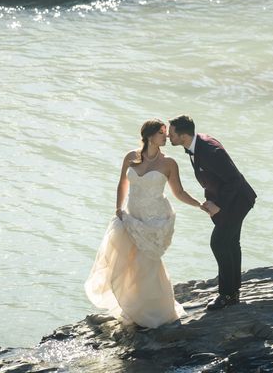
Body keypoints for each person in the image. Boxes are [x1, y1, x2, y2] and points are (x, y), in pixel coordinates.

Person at [85, 119, 206, 328]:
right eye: (161, 133)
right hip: (131, 216)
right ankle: (130, 306)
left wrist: (199, 204)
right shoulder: (131, 157)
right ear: (150, 136)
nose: (166, 136)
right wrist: (118, 209)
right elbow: (122, 183)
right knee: (126, 262)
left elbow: (178, 192)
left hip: (154, 221)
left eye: (166, 133)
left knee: (148, 264)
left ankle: (155, 312)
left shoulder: (169, 163)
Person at [168, 115, 257, 311]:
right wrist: (212, 201)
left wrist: (219, 204)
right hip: (232, 200)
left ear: (183, 135)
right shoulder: (196, 144)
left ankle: (226, 295)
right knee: (231, 242)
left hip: (237, 201)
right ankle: (233, 293)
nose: (168, 136)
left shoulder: (209, 150)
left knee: (218, 243)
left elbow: (234, 179)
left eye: (171, 132)